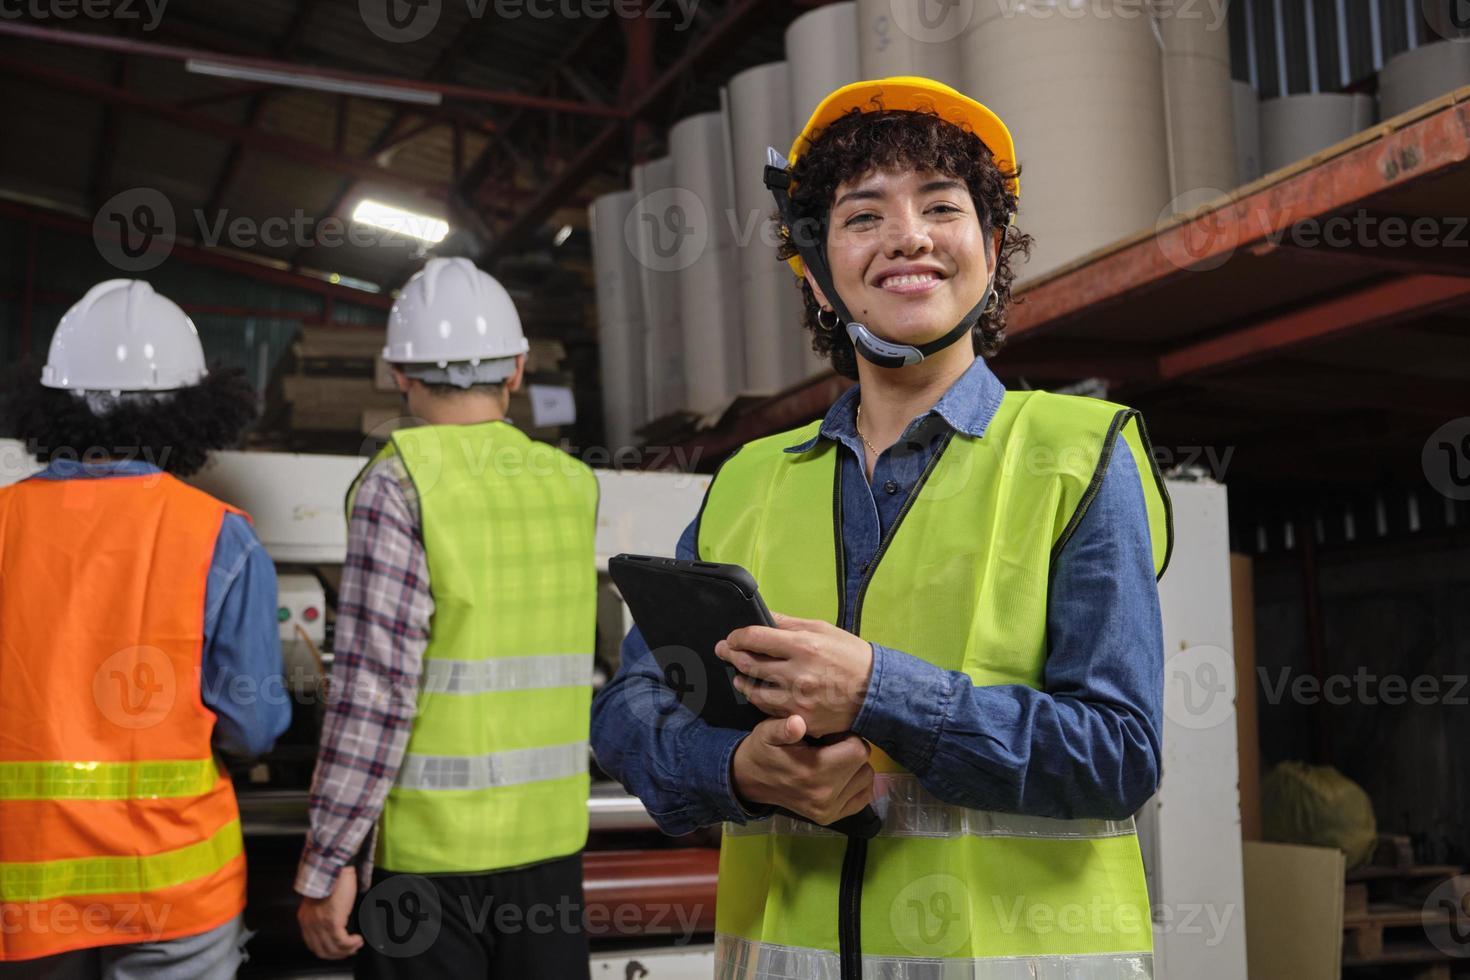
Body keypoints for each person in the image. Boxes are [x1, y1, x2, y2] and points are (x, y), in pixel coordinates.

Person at [591, 77, 1173, 979]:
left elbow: (1119, 755)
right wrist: (739, 768)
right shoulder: (747, 481)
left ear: (990, 251)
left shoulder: (1078, 457)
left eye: (942, 206)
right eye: (864, 216)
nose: (908, 234)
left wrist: (879, 692)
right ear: (821, 278)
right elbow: (630, 710)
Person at [296, 257, 598, 980]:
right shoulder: (572, 483)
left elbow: (375, 692)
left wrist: (327, 860)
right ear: (518, 369)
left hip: (428, 867)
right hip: (550, 854)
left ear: (398, 373)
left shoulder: (397, 483)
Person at [0, 279, 290, 975]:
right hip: (174, 886)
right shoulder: (222, 537)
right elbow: (254, 726)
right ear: (192, 411)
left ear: (55, 404)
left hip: (25, 888)